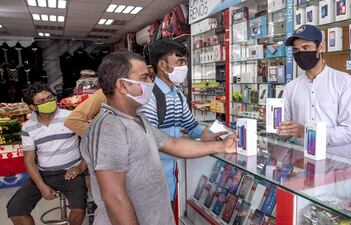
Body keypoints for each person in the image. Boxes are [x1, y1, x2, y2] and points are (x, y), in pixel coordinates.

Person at [79, 52, 237, 225]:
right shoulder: (108, 129)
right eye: (145, 78)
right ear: (123, 85)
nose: (150, 83)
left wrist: (221, 146)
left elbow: (174, 144)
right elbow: (114, 198)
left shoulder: (138, 118)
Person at [140, 39, 223, 205]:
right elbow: (150, 143)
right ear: (163, 65)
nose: (185, 67)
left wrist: (218, 131)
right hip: (150, 182)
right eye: (180, 62)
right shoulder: (150, 97)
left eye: (185, 62)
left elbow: (192, 126)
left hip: (169, 178)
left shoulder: (177, 95)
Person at [7, 83, 87, 225]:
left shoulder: (70, 117)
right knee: (15, 210)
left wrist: (81, 167)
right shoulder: (28, 127)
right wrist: (41, 186)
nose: (48, 102)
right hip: (43, 173)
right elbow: (29, 160)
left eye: (50, 98)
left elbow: (91, 144)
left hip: (70, 172)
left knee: (79, 209)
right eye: (41, 101)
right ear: (32, 107)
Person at [278, 24, 351, 160]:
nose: (300, 53)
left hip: (338, 163)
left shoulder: (344, 81)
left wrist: (307, 132)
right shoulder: (291, 87)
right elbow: (285, 132)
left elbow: (350, 132)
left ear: (320, 47)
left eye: (306, 47)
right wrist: (274, 121)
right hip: (302, 162)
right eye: (296, 50)